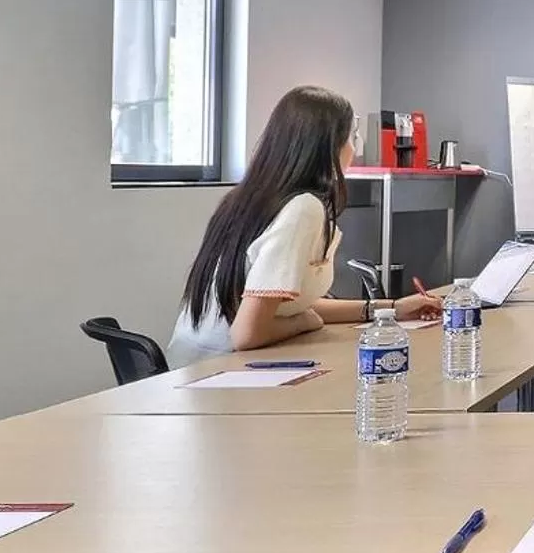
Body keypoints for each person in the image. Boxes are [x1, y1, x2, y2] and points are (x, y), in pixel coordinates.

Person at [169, 85, 437, 366]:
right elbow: (247, 334)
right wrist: (305, 322)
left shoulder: (249, 198)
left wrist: (391, 308)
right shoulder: (303, 209)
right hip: (217, 374)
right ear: (329, 146)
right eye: (352, 137)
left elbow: (283, 305)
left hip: (187, 368)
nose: (354, 149)